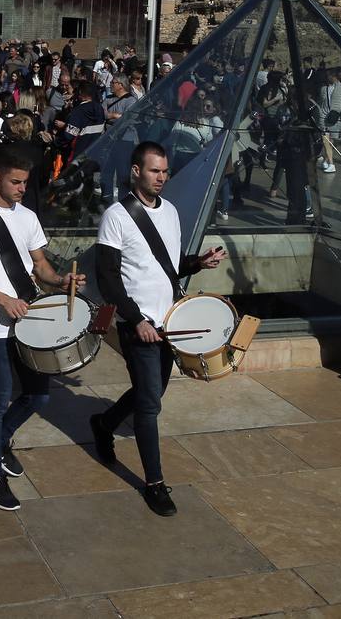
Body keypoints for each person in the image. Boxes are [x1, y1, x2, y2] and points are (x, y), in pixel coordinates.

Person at [90, 142, 226, 516]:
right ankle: (154, 483)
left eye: (165, 171)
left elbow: (167, 266)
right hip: (139, 326)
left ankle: (103, 424)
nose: (162, 178)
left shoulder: (171, 213)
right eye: (154, 171)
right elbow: (108, 279)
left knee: (150, 392)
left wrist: (198, 262)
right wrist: (135, 320)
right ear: (136, 171)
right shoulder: (116, 216)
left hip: (169, 323)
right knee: (150, 405)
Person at [0, 146, 84, 511]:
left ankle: (2, 439)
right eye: (15, 181)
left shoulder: (27, 217)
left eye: (25, 182)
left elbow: (39, 265)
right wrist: (1, 299)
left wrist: (62, 280)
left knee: (39, 395)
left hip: (29, 320)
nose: (22, 188)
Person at [316, 67, 341, 173]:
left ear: (334, 76)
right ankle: (331, 164)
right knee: (325, 140)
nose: (327, 77)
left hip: (335, 118)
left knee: (332, 142)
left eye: (328, 75)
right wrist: (320, 114)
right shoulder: (323, 88)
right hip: (323, 117)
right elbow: (320, 103)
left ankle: (326, 160)